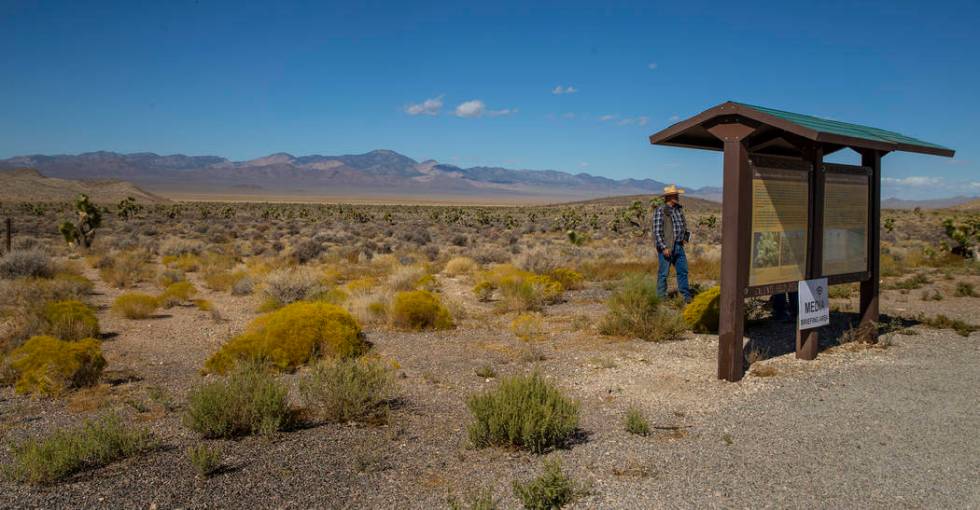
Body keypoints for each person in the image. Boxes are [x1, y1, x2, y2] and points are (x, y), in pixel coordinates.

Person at [653, 184, 692, 301]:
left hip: (679, 246)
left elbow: (683, 225)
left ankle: (685, 296)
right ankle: (660, 297)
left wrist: (685, 237)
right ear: (670, 197)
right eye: (675, 195)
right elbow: (657, 231)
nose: (677, 197)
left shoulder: (678, 210)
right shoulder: (661, 210)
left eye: (677, 195)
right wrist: (664, 247)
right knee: (664, 273)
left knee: (683, 271)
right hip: (667, 247)